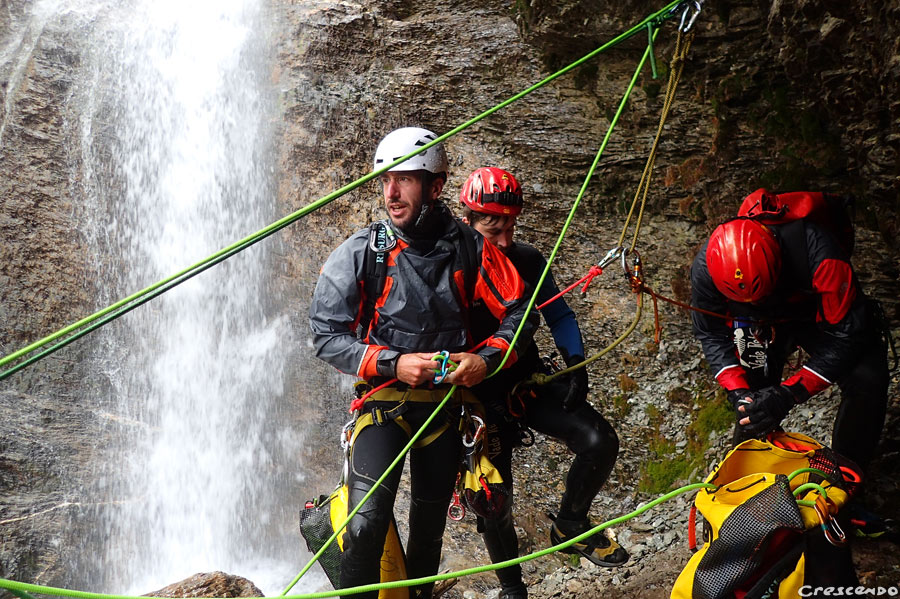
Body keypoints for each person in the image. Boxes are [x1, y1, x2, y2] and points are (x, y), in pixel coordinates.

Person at [309, 128, 538, 599]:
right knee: (365, 524)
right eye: (385, 181)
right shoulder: (362, 252)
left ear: (435, 186)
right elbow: (325, 336)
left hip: (446, 409)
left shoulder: (471, 248)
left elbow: (521, 311)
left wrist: (486, 359)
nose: (391, 193)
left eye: (405, 180)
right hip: (383, 405)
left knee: (428, 533)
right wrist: (393, 364)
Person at [459, 167, 628, 599]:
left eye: (510, 227)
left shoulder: (528, 260)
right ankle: (513, 589)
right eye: (493, 229)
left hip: (524, 382)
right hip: (474, 400)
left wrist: (576, 364)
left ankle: (570, 523)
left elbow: (559, 314)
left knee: (599, 440)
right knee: (494, 501)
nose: (504, 240)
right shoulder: (451, 266)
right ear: (468, 221)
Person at [689, 193, 889, 470]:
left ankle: (847, 472)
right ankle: (747, 478)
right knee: (753, 404)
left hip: (814, 311)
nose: (756, 300)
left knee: (867, 378)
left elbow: (847, 336)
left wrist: (789, 394)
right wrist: (738, 393)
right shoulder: (706, 270)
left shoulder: (820, 253)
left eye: (761, 294)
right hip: (755, 322)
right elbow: (710, 334)